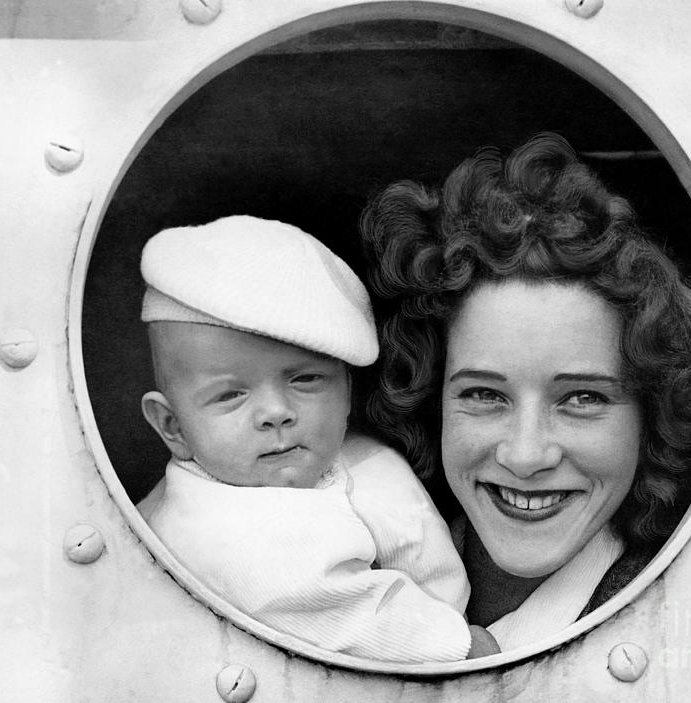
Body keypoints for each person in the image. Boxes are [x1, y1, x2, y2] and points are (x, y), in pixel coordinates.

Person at [360, 133, 691, 651]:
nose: (525, 456)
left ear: (654, 419)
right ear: (432, 403)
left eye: (583, 399)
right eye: (483, 395)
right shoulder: (346, 568)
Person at [134, 215, 499, 662]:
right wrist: (460, 648)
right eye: (231, 395)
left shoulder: (349, 454)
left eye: (305, 379)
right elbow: (349, 618)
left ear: (349, 389)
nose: (276, 413)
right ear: (173, 427)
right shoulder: (221, 534)